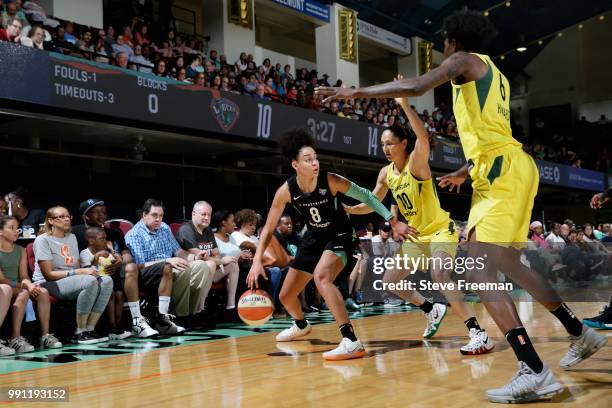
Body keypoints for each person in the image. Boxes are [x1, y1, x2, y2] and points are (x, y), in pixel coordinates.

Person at [317, 9, 606, 403]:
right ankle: (578, 332)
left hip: (502, 173)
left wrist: (356, 92)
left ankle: (534, 370)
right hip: (501, 169)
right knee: (508, 264)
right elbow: (491, 135)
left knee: (480, 264)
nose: (442, 52)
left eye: (442, 43)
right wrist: (464, 171)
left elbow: (418, 85)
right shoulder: (491, 72)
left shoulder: (462, 60)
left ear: (452, 40)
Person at [247, 128, 416, 361]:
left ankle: (350, 340)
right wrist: (256, 261)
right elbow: (268, 227)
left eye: (315, 158)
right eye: (308, 160)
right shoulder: (286, 191)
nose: (314, 163)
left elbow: (368, 195)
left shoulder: (331, 180)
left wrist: (393, 220)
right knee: (286, 296)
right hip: (314, 238)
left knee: (321, 277)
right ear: (295, 165)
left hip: (340, 236)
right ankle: (301, 325)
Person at [346, 89, 493, 355]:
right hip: (416, 236)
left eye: (390, 143)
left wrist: (404, 105)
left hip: (440, 230)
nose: (385, 149)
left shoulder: (416, 163)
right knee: (390, 281)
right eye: (382, 145)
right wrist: (348, 209)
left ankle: (477, 332)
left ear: (403, 143)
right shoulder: (386, 173)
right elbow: (371, 202)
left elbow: (423, 136)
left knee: (439, 274)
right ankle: (430, 308)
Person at [72, 199, 158, 338]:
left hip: (116, 275)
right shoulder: (76, 233)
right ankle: (107, 327)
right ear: (85, 216)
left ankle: (121, 326)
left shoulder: (113, 233)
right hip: (92, 275)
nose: (102, 215)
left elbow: (127, 255)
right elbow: (76, 260)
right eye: (96, 212)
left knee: (120, 289)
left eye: (104, 212)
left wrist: (119, 261)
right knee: (110, 291)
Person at [33, 206, 112, 344]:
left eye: (68, 216)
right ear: (51, 221)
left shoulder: (72, 237)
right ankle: (79, 331)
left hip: (69, 279)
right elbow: (48, 274)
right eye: (61, 217)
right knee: (89, 281)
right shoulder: (42, 240)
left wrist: (87, 272)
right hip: (47, 283)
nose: (66, 219)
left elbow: (75, 265)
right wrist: (80, 272)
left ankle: (89, 329)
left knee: (106, 280)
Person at [0, 216, 62, 352]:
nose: (16, 231)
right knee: (23, 294)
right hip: (6, 287)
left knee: (43, 292)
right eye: (11, 228)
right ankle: (15, 338)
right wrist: (26, 286)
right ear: (0, 231)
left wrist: (30, 285)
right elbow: (3, 280)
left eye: (17, 228)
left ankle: (45, 336)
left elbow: (24, 276)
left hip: (18, 285)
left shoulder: (20, 250)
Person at [176, 201, 239, 320]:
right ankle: (199, 310)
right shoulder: (186, 229)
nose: (206, 217)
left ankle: (230, 308)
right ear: (194, 214)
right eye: (203, 214)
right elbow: (200, 257)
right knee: (209, 264)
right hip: (191, 272)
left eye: (209, 215)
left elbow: (217, 254)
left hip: (210, 270)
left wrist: (220, 260)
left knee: (232, 264)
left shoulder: (208, 230)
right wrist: (220, 261)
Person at [79, 227, 131, 340]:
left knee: (119, 294)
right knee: (111, 293)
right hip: (93, 282)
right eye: (102, 239)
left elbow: (114, 262)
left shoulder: (106, 252)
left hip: (107, 281)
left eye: (105, 238)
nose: (105, 241)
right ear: (91, 241)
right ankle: (111, 326)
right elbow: (87, 271)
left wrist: (117, 259)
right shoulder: (85, 253)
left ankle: (117, 325)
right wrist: (97, 257)